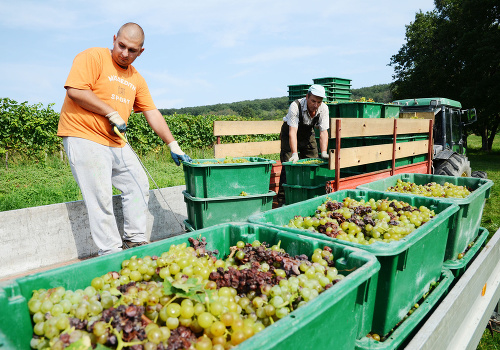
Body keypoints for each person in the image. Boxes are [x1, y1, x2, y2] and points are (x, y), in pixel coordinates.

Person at [57, 23, 192, 255]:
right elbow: (76, 90)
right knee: (100, 195)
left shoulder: (136, 78)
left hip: (115, 141)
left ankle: (135, 240)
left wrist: (173, 144)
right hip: (84, 135)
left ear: (141, 52)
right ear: (114, 39)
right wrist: (110, 111)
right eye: (121, 46)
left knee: (138, 183)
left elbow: (152, 112)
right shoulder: (94, 57)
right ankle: (109, 252)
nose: (124, 53)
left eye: (132, 50)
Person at [278, 84, 330, 204]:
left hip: (307, 133)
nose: (316, 105)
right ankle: (283, 201)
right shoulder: (295, 106)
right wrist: (295, 153)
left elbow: (323, 132)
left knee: (313, 162)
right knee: (288, 166)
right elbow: (292, 132)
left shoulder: (324, 109)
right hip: (290, 133)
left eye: (319, 102)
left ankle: (309, 197)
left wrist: (323, 152)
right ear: (307, 97)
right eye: (313, 101)